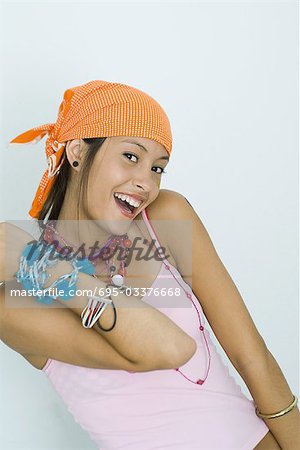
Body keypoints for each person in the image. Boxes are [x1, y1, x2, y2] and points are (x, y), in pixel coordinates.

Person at [1, 80, 299, 449]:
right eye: (131, 156)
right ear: (77, 152)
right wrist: (43, 264)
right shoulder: (14, 302)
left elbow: (251, 355)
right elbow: (166, 348)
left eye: (158, 168)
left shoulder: (165, 221)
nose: (145, 182)